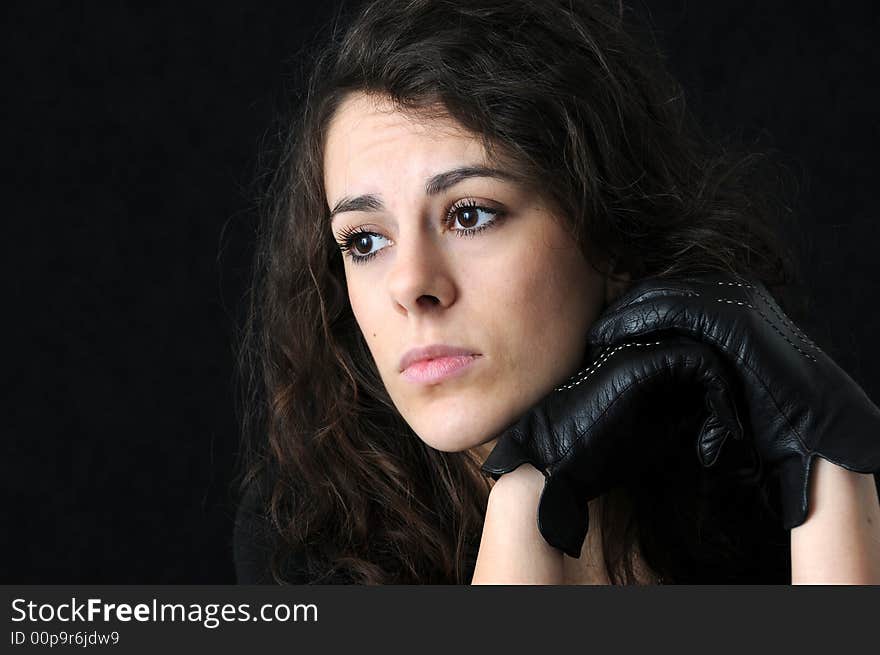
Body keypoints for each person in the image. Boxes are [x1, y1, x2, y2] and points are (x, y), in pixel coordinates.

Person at [233, 0, 880, 585]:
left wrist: (830, 459)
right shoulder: (310, 544)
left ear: (608, 232)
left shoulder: (738, 487)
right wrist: (527, 488)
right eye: (365, 242)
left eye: (470, 214)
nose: (410, 286)